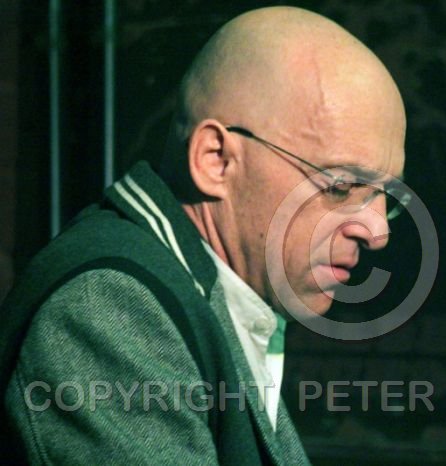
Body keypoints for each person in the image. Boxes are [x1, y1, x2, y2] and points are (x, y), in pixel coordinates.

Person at [0, 5, 407, 465]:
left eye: (385, 196)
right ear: (216, 160)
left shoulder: (207, 296)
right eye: (341, 186)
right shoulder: (110, 309)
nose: (377, 232)